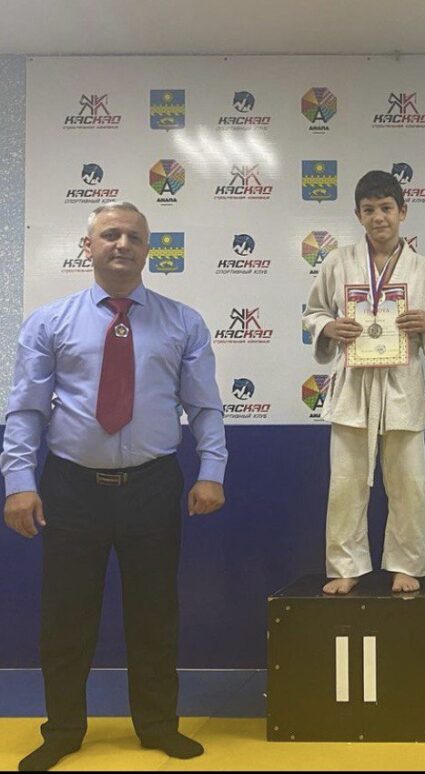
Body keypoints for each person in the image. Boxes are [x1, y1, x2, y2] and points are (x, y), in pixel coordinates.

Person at [1, 201, 227, 771]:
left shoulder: (183, 323)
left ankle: (157, 726)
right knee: (66, 616)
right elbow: (26, 410)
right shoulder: (49, 323)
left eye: (133, 236)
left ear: (148, 249)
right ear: (89, 247)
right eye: (110, 235)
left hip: (152, 485)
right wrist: (18, 482)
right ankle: (62, 731)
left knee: (155, 614)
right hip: (71, 487)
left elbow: (204, 407)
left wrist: (212, 471)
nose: (122, 244)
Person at [304, 170, 425, 595]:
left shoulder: (423, 268)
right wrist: (328, 327)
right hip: (354, 383)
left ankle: (407, 564)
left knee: (409, 482)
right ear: (358, 215)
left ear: (403, 211)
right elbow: (313, 312)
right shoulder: (338, 262)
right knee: (345, 482)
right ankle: (345, 565)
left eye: (386, 208)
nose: (378, 217)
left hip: (402, 382)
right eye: (369, 210)